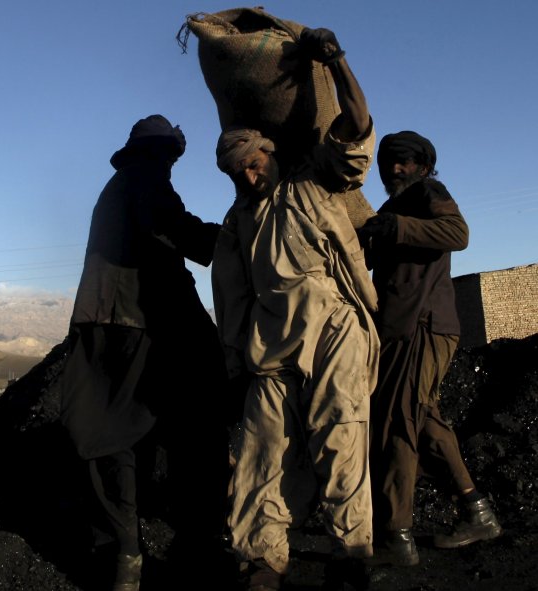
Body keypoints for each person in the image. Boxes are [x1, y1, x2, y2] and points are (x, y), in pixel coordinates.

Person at [211, 27, 379, 590]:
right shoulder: (239, 223)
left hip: (333, 326)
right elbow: (230, 296)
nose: (250, 177)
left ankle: (351, 549)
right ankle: (264, 556)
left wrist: (336, 62)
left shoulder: (313, 185)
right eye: (239, 174)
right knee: (262, 450)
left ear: (270, 152)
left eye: (254, 164)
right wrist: (235, 358)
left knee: (339, 433)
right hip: (270, 340)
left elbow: (354, 127)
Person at [60, 114, 230, 591]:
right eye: (171, 155)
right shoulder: (146, 179)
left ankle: (124, 554)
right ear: (160, 153)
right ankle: (196, 547)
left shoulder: (115, 187)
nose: (172, 163)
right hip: (144, 322)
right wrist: (227, 238)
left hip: (102, 324)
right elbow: (170, 227)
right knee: (200, 422)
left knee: (112, 435)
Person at [359, 131, 501, 566]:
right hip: (398, 330)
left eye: (403, 162)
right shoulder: (389, 209)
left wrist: (399, 227)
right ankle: (476, 511)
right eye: (387, 163)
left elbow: (457, 233)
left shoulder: (428, 192)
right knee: (423, 419)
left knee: (400, 421)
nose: (394, 170)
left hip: (425, 325)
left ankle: (395, 534)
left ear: (423, 165)